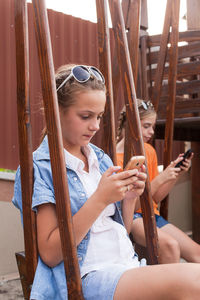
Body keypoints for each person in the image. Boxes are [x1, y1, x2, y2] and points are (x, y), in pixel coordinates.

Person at [13, 65, 200, 300]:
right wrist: (100, 198)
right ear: (56, 111)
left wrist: (130, 197)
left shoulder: (99, 159)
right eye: (85, 116)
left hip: (126, 265)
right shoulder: (40, 169)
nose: (96, 125)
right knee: (195, 281)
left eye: (99, 116)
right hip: (88, 277)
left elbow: (123, 228)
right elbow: (51, 253)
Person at [116, 99, 200, 264]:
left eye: (152, 127)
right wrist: (161, 178)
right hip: (130, 217)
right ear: (131, 124)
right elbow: (131, 206)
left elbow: (154, 198)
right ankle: (171, 289)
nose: (151, 132)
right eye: (146, 126)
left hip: (151, 214)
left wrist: (173, 174)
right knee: (170, 246)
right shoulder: (113, 158)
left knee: (197, 252)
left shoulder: (149, 151)